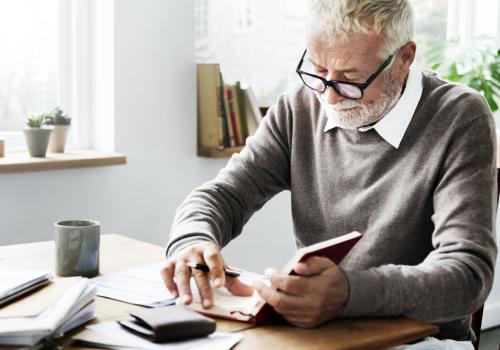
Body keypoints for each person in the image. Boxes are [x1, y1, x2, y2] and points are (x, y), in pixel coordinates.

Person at [162, 0, 497, 348]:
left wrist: (351, 293)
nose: (330, 99)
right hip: (320, 336)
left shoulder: (460, 117)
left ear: (404, 58)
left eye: (351, 80)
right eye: (318, 70)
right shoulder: (300, 106)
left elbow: (468, 275)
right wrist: (192, 240)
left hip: (423, 340)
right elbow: (224, 195)